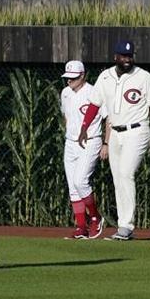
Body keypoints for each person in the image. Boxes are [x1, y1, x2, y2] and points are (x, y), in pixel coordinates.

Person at [78, 39, 150, 241]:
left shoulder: (143, 76)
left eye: (130, 56)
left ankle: (126, 226)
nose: (127, 59)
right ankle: (122, 227)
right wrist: (84, 128)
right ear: (115, 57)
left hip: (137, 131)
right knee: (118, 179)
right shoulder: (105, 76)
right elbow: (94, 104)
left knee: (126, 174)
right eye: (123, 56)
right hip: (115, 133)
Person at [60, 60, 105, 239]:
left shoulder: (94, 92)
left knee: (80, 181)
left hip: (91, 140)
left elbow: (107, 118)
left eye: (74, 78)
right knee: (72, 185)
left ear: (83, 76)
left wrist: (106, 143)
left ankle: (95, 217)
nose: (69, 81)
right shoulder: (65, 93)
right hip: (70, 142)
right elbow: (65, 116)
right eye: (68, 78)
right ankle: (81, 226)